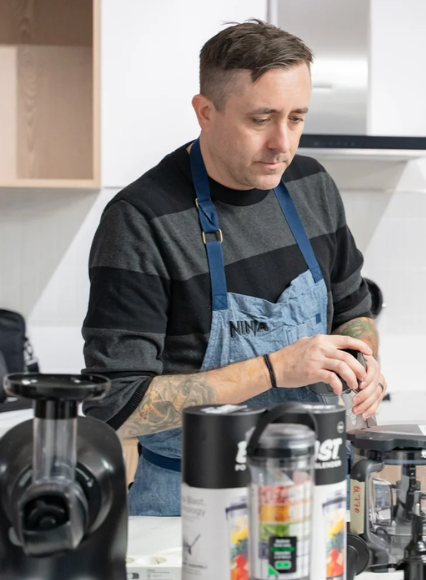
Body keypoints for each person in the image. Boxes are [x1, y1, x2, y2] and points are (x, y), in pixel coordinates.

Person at [81, 19, 387, 516]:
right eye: (261, 119)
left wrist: (364, 360)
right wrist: (273, 369)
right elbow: (116, 407)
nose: (282, 143)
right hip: (191, 505)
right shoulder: (141, 220)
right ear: (206, 112)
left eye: (296, 118)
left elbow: (354, 313)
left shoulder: (311, 185)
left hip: (316, 495)